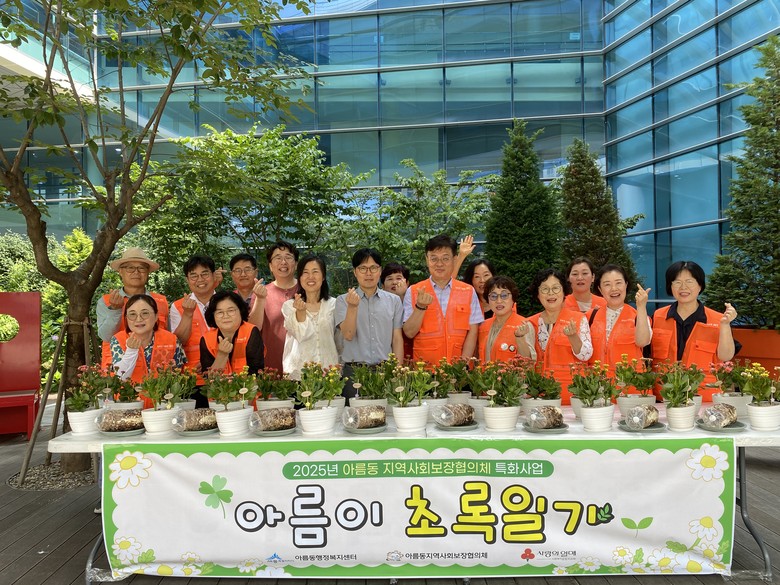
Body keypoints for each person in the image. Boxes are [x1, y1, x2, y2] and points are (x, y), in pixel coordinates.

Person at [636, 260, 739, 401]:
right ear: (670, 286)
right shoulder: (658, 316)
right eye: (677, 282)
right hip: (664, 398)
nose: (683, 287)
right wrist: (641, 307)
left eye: (689, 282)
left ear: (700, 285)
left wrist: (726, 325)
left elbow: (726, 356)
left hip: (703, 399)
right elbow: (643, 346)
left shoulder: (718, 319)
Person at [403, 234, 484, 364]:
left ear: (454, 259)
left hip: (457, 368)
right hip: (425, 369)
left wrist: (463, 365)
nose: (439, 264)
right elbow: (409, 332)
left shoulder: (468, 291)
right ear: (427, 259)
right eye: (434, 258)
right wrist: (420, 307)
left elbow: (473, 332)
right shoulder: (414, 291)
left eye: (445, 258)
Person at [517, 268, 593, 404]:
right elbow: (526, 361)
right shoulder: (530, 323)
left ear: (564, 292)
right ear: (538, 294)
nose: (550, 293)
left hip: (573, 394)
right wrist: (520, 338)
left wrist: (573, 336)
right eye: (544, 289)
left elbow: (586, 355)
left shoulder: (578, 319)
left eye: (556, 288)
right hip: (541, 394)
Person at [337, 249, 404, 401]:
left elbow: (397, 338)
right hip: (354, 372)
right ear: (355, 272)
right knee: (355, 414)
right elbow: (348, 334)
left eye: (373, 268)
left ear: (380, 271)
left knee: (387, 413)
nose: (368, 273)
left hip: (385, 370)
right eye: (363, 268)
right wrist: (352, 307)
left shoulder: (393, 301)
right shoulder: (343, 300)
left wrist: (398, 372)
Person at [97, 247, 168, 368]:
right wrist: (115, 310)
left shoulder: (160, 301)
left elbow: (168, 336)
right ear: (120, 271)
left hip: (156, 369)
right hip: (117, 368)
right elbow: (106, 336)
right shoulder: (106, 301)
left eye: (141, 268)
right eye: (130, 268)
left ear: (148, 272)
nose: (136, 272)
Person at [111, 294, 185, 409]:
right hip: (129, 407)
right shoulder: (118, 340)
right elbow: (120, 378)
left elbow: (178, 378)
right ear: (126, 318)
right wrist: (131, 351)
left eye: (145, 313)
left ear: (156, 316)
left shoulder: (172, 340)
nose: (139, 319)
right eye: (132, 314)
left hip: (163, 407)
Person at [170, 255, 219, 406]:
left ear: (213, 275)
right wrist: (187, 314)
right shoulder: (178, 306)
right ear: (187, 279)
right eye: (194, 276)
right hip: (192, 379)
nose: (200, 280)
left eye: (204, 274)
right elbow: (179, 341)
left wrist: (210, 361)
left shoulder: (227, 301)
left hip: (225, 375)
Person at [281, 254, 339, 380]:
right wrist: (300, 312)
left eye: (315, 272)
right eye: (305, 272)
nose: (310, 277)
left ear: (323, 276)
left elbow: (340, 340)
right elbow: (301, 335)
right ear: (300, 277)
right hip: (298, 375)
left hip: (329, 373)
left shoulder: (333, 304)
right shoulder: (290, 306)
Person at [588, 264, 651, 376]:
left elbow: (642, 342)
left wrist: (641, 307)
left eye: (618, 283)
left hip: (630, 383)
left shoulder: (639, 316)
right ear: (600, 289)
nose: (614, 289)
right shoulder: (590, 317)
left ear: (626, 284)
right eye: (607, 284)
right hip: (598, 384)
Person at [200, 290, 264, 376]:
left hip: (247, 384)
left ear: (240, 311)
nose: (226, 316)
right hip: (220, 385)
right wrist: (222, 355)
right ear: (213, 316)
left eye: (231, 311)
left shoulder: (251, 332)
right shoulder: (207, 339)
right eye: (220, 312)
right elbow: (208, 378)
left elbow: (257, 372)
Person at [261, 241, 300, 373]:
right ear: (270, 266)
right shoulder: (262, 293)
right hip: (271, 365)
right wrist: (259, 299)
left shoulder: (307, 289)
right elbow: (254, 327)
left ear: (296, 264)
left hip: (304, 364)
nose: (283, 262)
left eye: (288, 257)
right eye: (278, 258)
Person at [477, 276, 535, 362]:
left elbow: (528, 362)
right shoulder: (482, 326)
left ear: (513, 298)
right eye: (493, 296)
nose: (499, 301)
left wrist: (520, 337)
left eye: (504, 295)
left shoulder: (524, 325)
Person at [381, 262, 414, 360]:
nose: (394, 282)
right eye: (389, 279)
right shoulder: (379, 306)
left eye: (398, 278)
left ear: (407, 283)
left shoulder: (416, 302)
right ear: (383, 286)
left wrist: (402, 296)